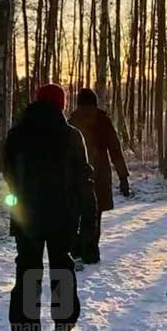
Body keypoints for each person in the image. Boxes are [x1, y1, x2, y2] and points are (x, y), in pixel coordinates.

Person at [1, 83, 95, 331]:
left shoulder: (17, 134)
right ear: (61, 104)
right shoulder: (71, 135)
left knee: (28, 267)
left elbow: (7, 170)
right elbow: (83, 178)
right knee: (61, 263)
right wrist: (88, 215)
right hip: (63, 213)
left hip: (25, 213)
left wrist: (19, 193)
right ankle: (64, 319)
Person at [68, 88, 130, 264]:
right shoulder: (103, 121)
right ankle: (91, 251)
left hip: (76, 176)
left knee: (76, 213)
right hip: (100, 175)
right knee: (96, 214)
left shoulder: (71, 121)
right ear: (95, 102)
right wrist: (123, 177)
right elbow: (115, 150)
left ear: (78, 103)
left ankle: (76, 248)